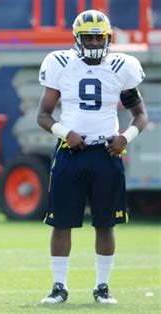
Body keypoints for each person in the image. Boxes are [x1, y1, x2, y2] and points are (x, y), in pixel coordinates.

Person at [37, 10, 148, 304]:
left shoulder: (121, 67)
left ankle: (102, 287)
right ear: (77, 39)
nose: (95, 42)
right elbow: (43, 115)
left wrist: (125, 137)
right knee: (61, 222)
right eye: (89, 37)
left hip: (106, 152)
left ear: (108, 38)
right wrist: (65, 133)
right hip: (70, 153)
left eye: (99, 36)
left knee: (105, 223)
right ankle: (59, 287)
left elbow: (140, 115)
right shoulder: (61, 64)